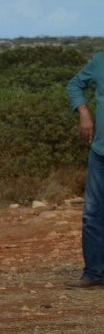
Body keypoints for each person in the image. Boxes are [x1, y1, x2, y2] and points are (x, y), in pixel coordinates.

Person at [65, 52, 104, 289]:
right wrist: (84, 112)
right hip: (100, 152)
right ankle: (94, 273)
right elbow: (75, 84)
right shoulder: (100, 60)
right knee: (92, 214)